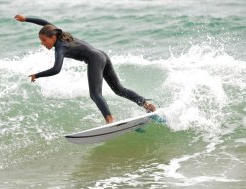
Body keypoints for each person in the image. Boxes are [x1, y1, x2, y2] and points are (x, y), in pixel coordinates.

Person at [14, 14, 156, 124]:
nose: (42, 43)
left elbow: (56, 69)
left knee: (95, 94)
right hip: (102, 55)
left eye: (44, 40)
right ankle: (146, 104)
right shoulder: (60, 35)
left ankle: (109, 120)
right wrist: (25, 19)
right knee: (119, 89)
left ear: (53, 38)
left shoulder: (60, 48)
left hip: (95, 59)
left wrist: (37, 75)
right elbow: (45, 23)